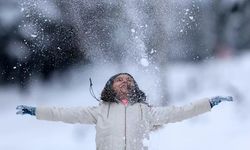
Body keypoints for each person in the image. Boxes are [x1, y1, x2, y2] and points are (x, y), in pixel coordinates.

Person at [16, 73, 233, 150]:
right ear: (110, 86)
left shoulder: (145, 112)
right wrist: (37, 111)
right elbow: (64, 113)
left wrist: (208, 103)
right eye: (119, 79)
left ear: (134, 87)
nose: (125, 82)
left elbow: (179, 112)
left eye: (129, 80)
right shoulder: (100, 111)